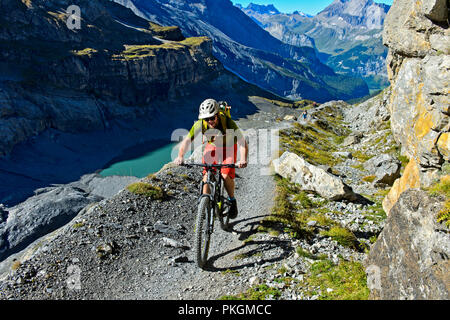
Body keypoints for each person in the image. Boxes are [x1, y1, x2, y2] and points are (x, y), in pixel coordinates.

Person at [174, 99, 248, 219]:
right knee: (207, 171)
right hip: (213, 145)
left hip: (229, 146)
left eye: (212, 118)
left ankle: (232, 201)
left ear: (218, 115)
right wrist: (180, 156)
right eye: (206, 119)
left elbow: (242, 143)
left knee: (225, 175)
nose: (210, 121)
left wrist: (243, 159)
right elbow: (187, 140)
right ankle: (205, 202)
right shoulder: (200, 124)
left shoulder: (228, 122)